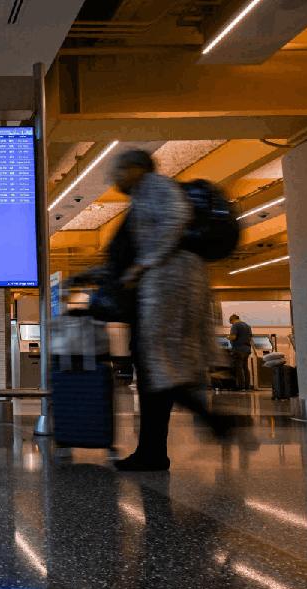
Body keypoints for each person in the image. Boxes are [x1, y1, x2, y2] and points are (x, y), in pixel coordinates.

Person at [75, 149, 235, 471]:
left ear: (136, 168)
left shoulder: (155, 185)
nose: (114, 178)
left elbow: (174, 219)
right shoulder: (141, 200)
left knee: (156, 368)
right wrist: (91, 275)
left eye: (119, 169)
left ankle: (205, 424)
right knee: (153, 370)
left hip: (166, 291)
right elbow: (125, 255)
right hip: (154, 294)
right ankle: (154, 450)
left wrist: (140, 266)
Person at [228, 314, 253, 391]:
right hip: (247, 349)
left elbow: (233, 337)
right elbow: (251, 338)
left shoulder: (235, 325)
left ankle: (241, 386)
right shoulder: (247, 326)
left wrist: (228, 337)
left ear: (233, 320)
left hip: (238, 349)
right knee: (245, 368)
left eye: (231, 322)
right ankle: (247, 386)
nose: (232, 324)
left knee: (239, 368)